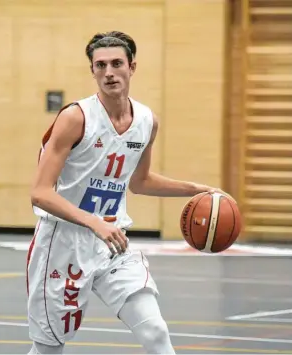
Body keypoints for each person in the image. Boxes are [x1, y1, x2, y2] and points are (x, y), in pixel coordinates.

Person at [27, 31, 224, 354]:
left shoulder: (146, 121)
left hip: (113, 244)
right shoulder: (76, 118)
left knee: (155, 331)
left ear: (132, 67)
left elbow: (139, 181)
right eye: (100, 65)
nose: (108, 72)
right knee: (49, 347)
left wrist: (195, 190)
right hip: (63, 245)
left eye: (116, 63)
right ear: (92, 71)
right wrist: (94, 222)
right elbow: (40, 193)